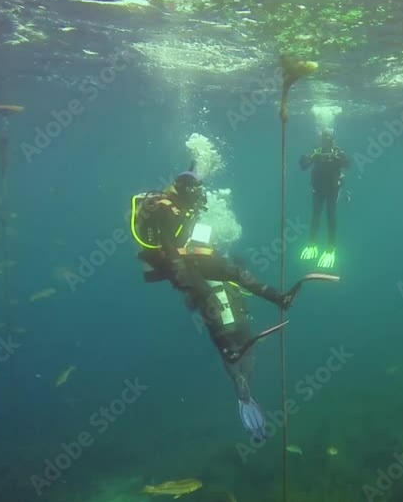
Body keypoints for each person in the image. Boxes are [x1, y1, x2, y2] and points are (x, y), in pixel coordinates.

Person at [130, 165, 337, 440]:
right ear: (182, 190)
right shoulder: (166, 210)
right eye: (194, 191)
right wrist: (191, 284)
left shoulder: (188, 208)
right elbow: (170, 251)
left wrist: (209, 262)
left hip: (186, 256)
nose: (200, 197)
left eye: (199, 191)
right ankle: (230, 352)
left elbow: (191, 245)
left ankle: (280, 298)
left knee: (235, 273)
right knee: (206, 293)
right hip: (172, 262)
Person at [299, 130, 349, 268]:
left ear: (332, 140)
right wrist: (307, 158)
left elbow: (348, 164)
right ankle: (312, 243)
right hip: (318, 191)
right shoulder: (317, 152)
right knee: (316, 216)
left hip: (332, 191)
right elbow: (304, 166)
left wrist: (338, 158)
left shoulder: (338, 152)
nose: (326, 141)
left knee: (330, 216)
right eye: (324, 138)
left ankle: (331, 248)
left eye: (328, 138)